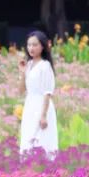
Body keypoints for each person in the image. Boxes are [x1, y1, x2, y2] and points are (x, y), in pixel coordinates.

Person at [18, 29, 58, 159]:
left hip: (42, 106)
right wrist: (23, 72)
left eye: (35, 45)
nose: (31, 48)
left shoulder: (45, 66)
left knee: (42, 139)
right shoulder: (28, 65)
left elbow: (47, 92)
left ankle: (45, 171)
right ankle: (28, 172)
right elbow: (21, 90)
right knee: (28, 138)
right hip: (30, 105)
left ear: (42, 46)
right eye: (29, 45)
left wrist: (44, 116)